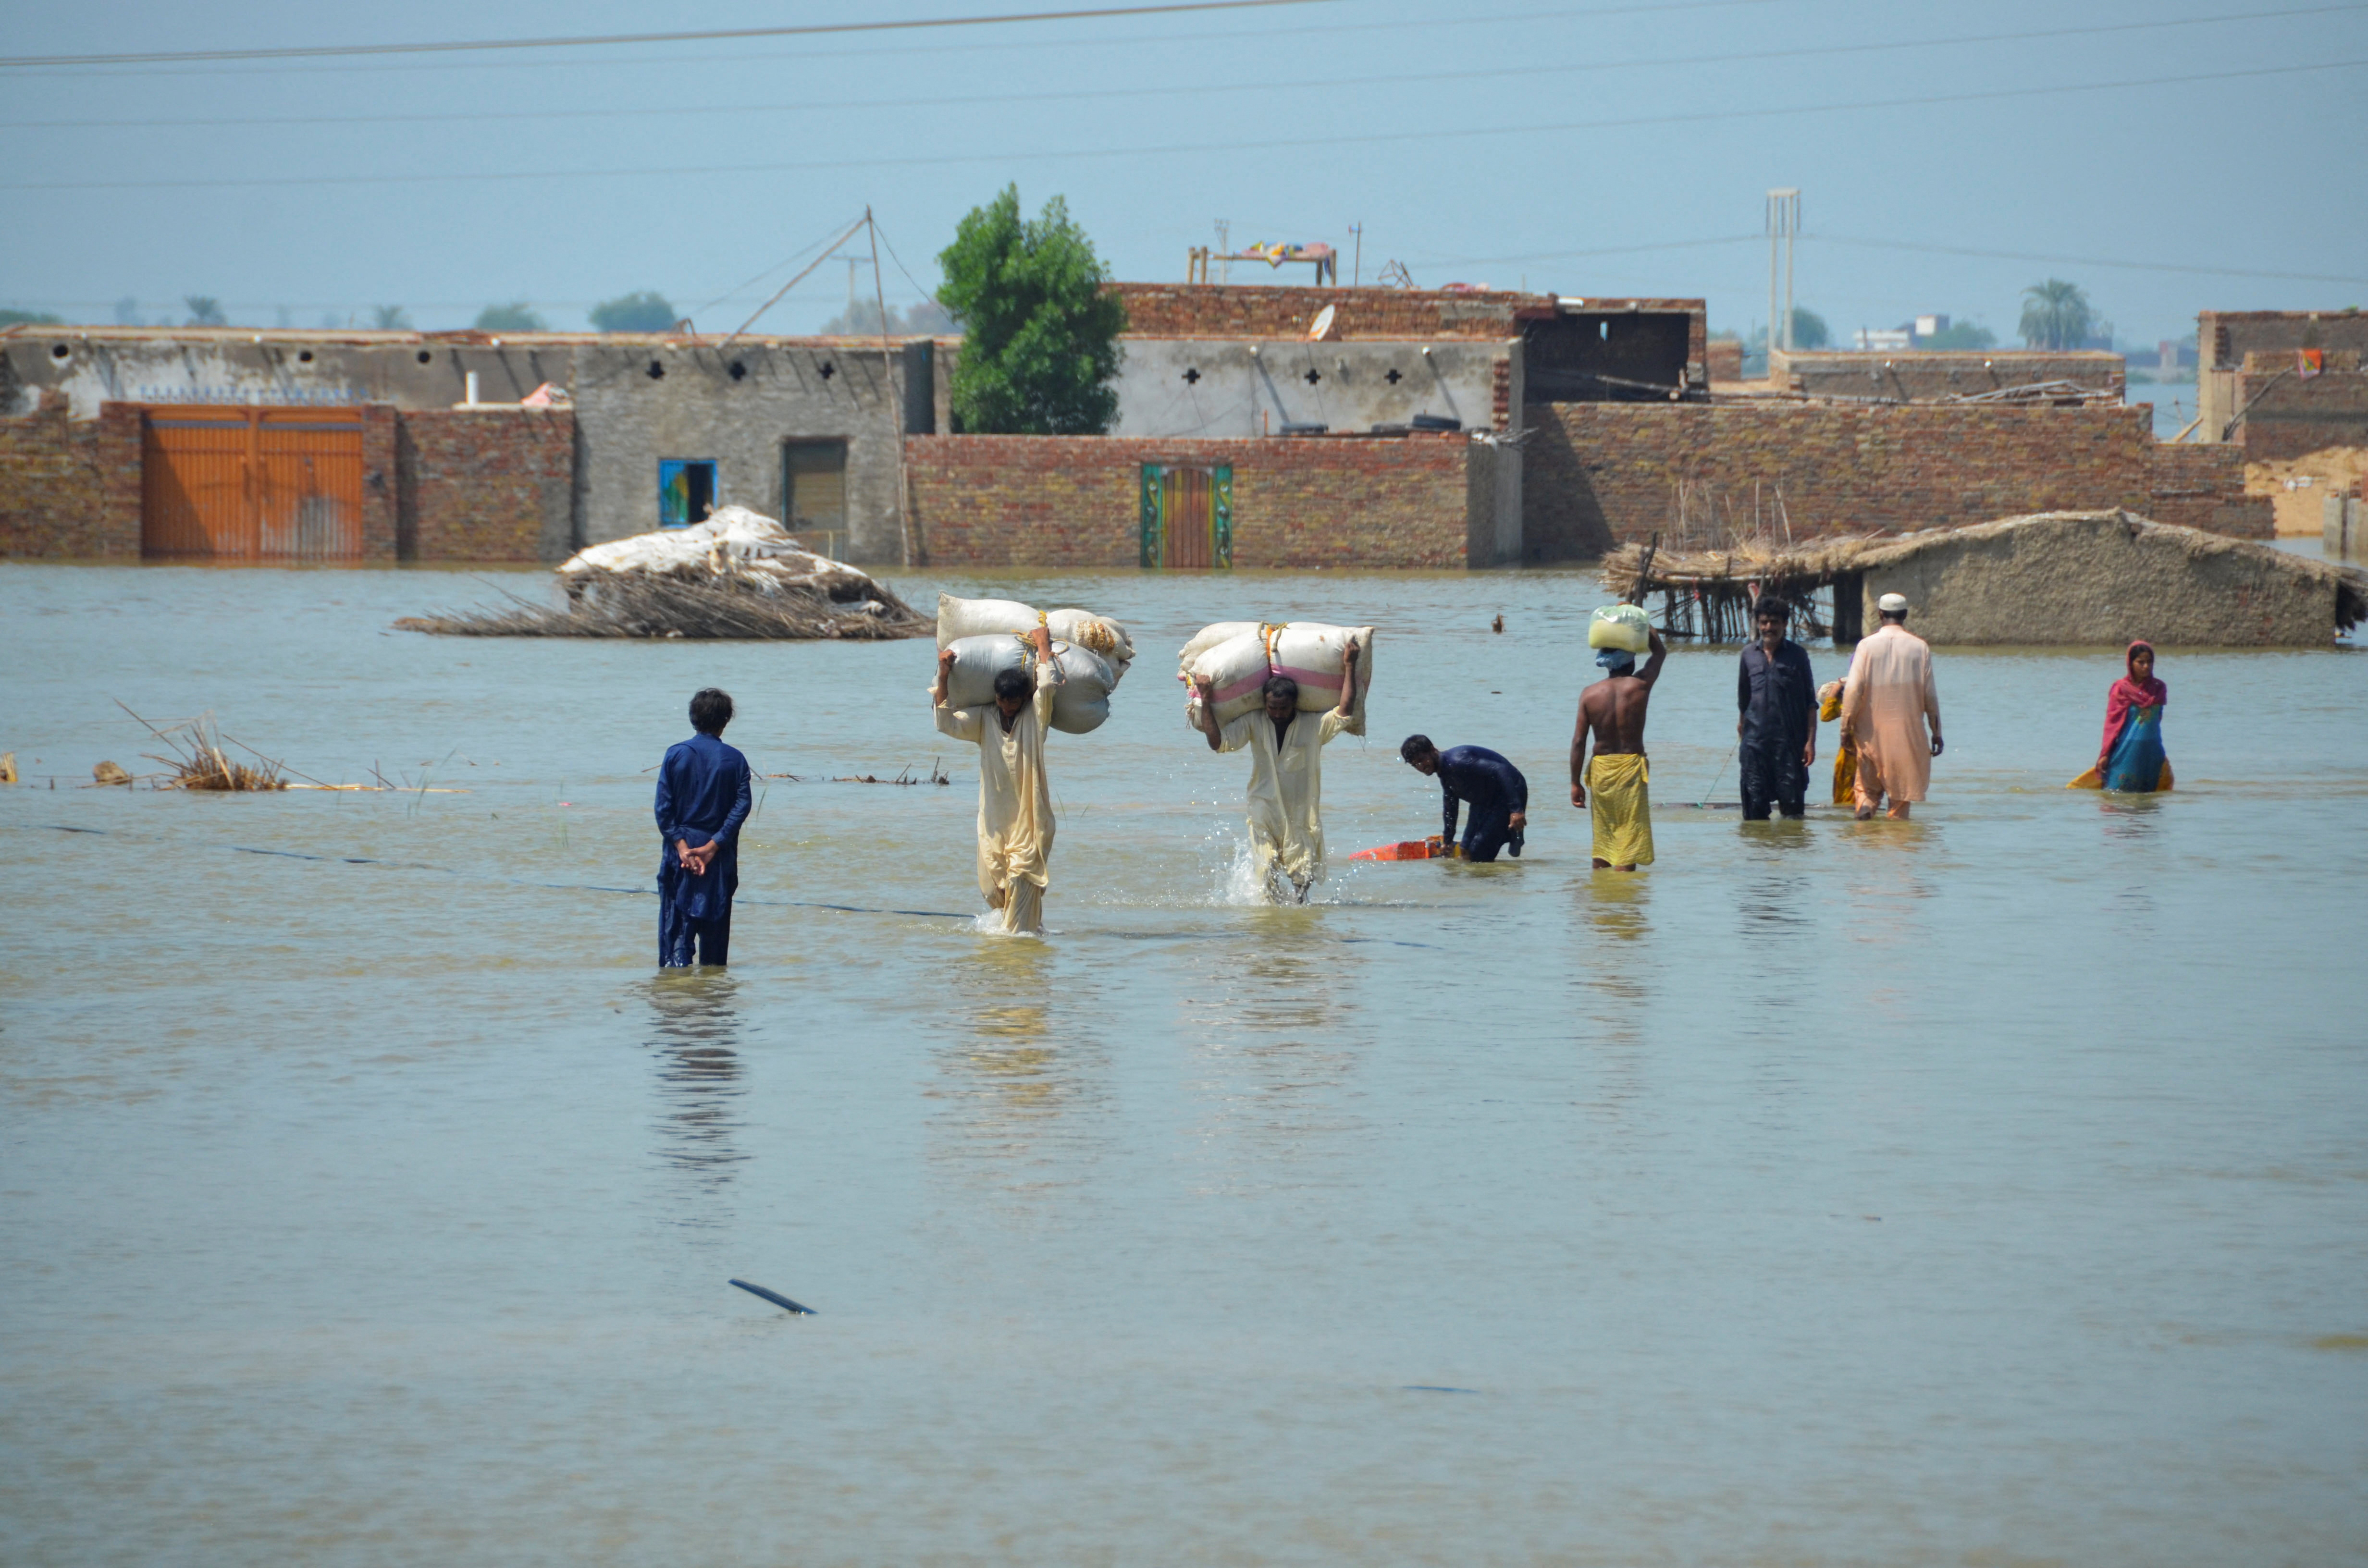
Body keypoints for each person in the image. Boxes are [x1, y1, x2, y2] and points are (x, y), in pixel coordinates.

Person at [1195, 641, 1360, 902]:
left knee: (1303, 875)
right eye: (1272, 707)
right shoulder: (1254, 721)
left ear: (1295, 704)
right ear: (1265, 704)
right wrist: (1205, 699)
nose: (1278, 713)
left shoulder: (1313, 725)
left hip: (1300, 812)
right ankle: (1272, 916)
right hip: (1263, 807)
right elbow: (1218, 743)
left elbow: (1345, 712)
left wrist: (1350, 665)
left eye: (1284, 708)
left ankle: (1297, 912)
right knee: (1266, 870)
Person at [934, 621, 1063, 934]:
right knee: (995, 891)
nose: (1007, 709)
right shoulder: (985, 719)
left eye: (1013, 703)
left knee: (1021, 881)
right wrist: (944, 674)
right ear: (995, 698)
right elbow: (945, 721)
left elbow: (1047, 688)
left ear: (1025, 699)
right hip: (994, 822)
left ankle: (1021, 946)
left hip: (1030, 823)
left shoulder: (1035, 717)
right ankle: (1030, 938)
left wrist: (1043, 646)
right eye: (1002, 702)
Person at [654, 686, 752, 968]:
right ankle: (711, 996)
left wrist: (682, 848)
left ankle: (678, 993)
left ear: (693, 718)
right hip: (718, 859)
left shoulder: (676, 755)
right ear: (726, 721)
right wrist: (713, 846)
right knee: (715, 958)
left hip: (680, 858)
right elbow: (741, 808)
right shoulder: (735, 760)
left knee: (675, 944)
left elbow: (663, 809)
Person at [1839, 592, 1943, 821]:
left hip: (1871, 737)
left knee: (1867, 793)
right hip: (1907, 737)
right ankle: (1897, 840)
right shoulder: (1920, 648)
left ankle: (1864, 831)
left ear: (1880, 615)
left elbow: (1853, 691)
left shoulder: (1866, 646)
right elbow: (1930, 696)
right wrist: (1936, 733)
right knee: (1899, 801)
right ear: (1905, 615)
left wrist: (1846, 729)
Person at [1570, 628, 1667, 870]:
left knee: (1604, 837)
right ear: (1631, 659)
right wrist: (1643, 624)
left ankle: (1602, 888)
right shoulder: (1640, 685)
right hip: (1630, 768)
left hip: (1602, 770)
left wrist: (1575, 783)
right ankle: (1625, 891)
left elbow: (1579, 742)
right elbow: (1659, 653)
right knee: (1628, 840)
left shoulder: (1589, 694)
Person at [1736, 596, 1817, 821]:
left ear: (1785, 624)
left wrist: (1810, 742)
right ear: (1758, 624)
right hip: (1755, 744)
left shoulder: (1798, 656)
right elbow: (1744, 698)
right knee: (1754, 814)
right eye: (1764, 622)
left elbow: (1811, 704)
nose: (1768, 627)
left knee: (1793, 815)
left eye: (1774, 622)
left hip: (1789, 744)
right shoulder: (1748, 655)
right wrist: (1742, 728)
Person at [1399, 735, 1528, 861]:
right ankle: (1510, 834)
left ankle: (1513, 833)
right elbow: (1450, 806)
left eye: (1422, 760)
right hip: (1483, 799)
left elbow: (1500, 769)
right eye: (1415, 765)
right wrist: (1448, 841)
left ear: (1433, 750)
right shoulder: (1445, 774)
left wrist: (1516, 810)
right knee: (1465, 850)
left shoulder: (1458, 761)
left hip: (1509, 792)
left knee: (1478, 854)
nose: (1421, 767)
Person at [2095, 639, 2170, 792]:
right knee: (2118, 795)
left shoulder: (2159, 688)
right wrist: (2105, 754)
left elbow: (2157, 721)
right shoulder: (2121, 689)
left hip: (2152, 751)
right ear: (2131, 663)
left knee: (2148, 799)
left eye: (2150, 662)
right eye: (2141, 662)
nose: (2146, 666)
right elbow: (2112, 724)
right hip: (2127, 750)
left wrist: (2161, 755)